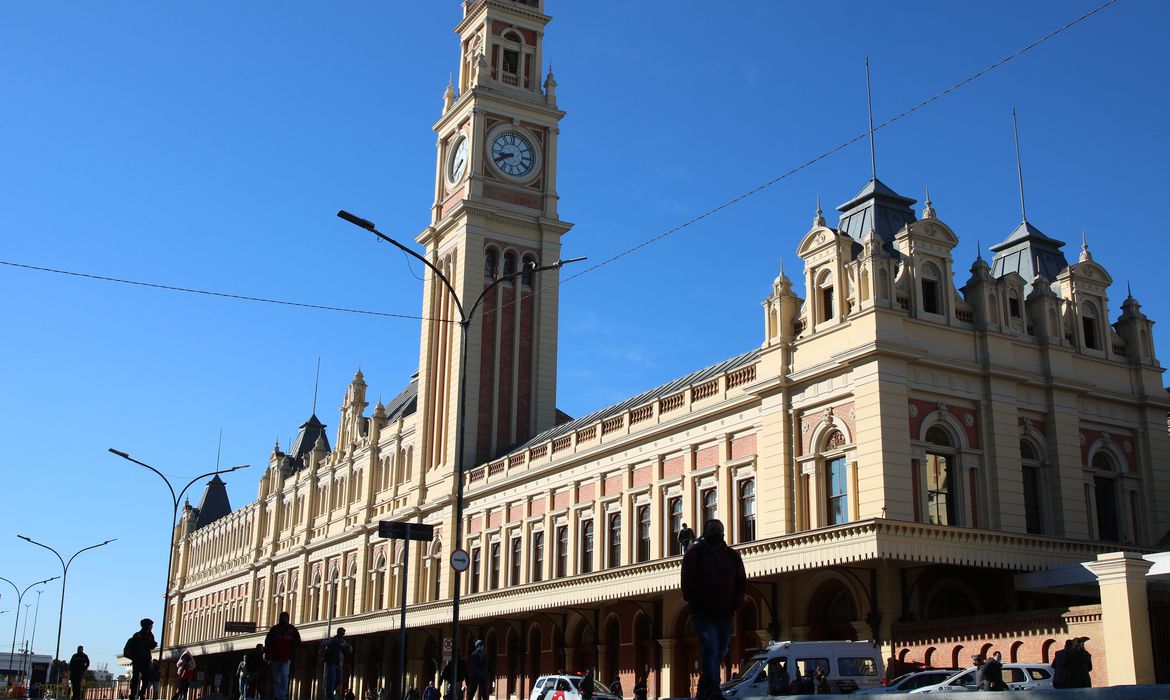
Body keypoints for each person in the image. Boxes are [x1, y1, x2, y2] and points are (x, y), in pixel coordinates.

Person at [681, 519, 746, 700]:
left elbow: (741, 581)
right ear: (705, 532)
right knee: (711, 648)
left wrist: (734, 604)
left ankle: (704, 685)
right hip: (703, 613)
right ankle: (712, 689)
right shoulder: (695, 554)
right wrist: (695, 601)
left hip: (724, 613)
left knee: (721, 649)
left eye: (718, 529)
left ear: (723, 533)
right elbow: (687, 580)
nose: (715, 531)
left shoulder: (732, 556)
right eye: (712, 529)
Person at [264, 612, 301, 700]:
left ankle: (283, 695)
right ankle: (277, 695)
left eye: (285, 618)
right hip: (275, 657)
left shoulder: (292, 629)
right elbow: (268, 641)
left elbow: (298, 641)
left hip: (286, 657)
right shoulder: (274, 629)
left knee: (284, 674)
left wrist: (292, 648)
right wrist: (267, 654)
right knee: (276, 677)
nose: (284, 620)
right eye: (282, 618)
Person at [124, 618, 157, 700]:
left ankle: (142, 693)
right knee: (135, 678)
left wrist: (153, 644)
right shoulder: (138, 635)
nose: (151, 627)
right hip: (138, 660)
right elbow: (134, 646)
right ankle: (133, 694)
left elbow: (151, 646)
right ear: (147, 626)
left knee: (146, 678)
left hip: (146, 660)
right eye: (150, 625)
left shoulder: (150, 635)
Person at [322, 627, 353, 700]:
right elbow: (323, 643)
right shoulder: (332, 639)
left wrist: (346, 646)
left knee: (339, 679)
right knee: (332, 678)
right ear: (338, 633)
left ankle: (331, 691)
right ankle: (329, 694)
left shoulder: (343, 642)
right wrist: (332, 642)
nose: (342, 635)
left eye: (343, 634)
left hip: (339, 663)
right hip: (331, 662)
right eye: (341, 633)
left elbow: (350, 650)